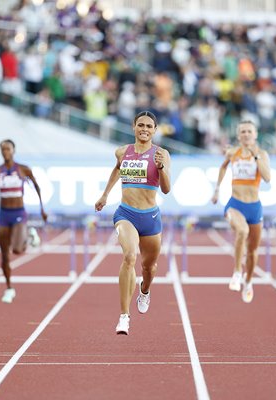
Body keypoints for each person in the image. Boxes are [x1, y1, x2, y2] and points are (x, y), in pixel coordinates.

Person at [95, 111, 171, 335]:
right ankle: (124, 316)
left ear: (155, 130)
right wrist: (105, 195)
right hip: (125, 213)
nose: (144, 129)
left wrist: (161, 169)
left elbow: (166, 188)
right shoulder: (122, 152)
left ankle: (145, 291)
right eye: (141, 125)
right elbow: (117, 170)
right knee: (129, 257)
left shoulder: (161, 154)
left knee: (149, 268)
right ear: (134, 127)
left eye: (149, 126)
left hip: (150, 218)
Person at [211, 121, 271, 303]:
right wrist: (217, 188)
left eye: (249, 131)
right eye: (243, 131)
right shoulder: (232, 152)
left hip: (254, 207)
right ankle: (237, 272)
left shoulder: (262, 154)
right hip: (235, 204)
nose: (246, 134)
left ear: (255, 135)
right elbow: (222, 167)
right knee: (242, 231)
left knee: (253, 251)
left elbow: (267, 178)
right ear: (238, 136)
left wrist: (256, 157)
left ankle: (249, 281)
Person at [0, 139, 47, 303]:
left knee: (18, 250)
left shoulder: (23, 169)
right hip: (4, 215)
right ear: (0, 152)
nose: (6, 152)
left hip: (18, 213)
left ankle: (29, 233)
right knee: (4, 255)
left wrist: (42, 209)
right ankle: (9, 288)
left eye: (8, 149)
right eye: (3, 149)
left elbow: (37, 187)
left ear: (13, 150)